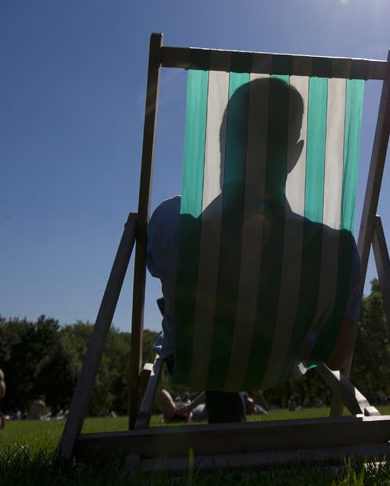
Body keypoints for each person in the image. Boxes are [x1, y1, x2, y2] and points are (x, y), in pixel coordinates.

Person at [147, 78, 363, 424]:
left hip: (193, 358)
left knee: (214, 336)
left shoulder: (172, 224)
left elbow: (156, 267)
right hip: (276, 364)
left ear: (222, 145)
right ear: (295, 154)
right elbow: (337, 356)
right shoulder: (335, 252)